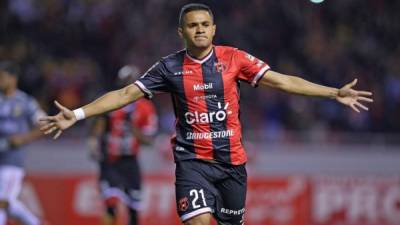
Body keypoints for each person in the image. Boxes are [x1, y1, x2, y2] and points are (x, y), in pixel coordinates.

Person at [39, 3, 373, 225]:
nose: (199, 30)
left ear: (214, 29)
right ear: (181, 32)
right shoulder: (168, 67)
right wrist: (78, 114)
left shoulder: (235, 59)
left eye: (204, 24)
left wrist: (333, 92)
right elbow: (126, 94)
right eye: (192, 25)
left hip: (232, 166)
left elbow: (283, 81)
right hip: (192, 164)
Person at [87, 65, 158, 225]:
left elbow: (149, 140)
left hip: (130, 162)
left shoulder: (145, 108)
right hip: (110, 160)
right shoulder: (111, 101)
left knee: (133, 210)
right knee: (110, 205)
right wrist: (93, 144)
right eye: (124, 82)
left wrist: (135, 131)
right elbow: (97, 127)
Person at [0, 61, 46, 225]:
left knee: (3, 202)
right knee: (8, 203)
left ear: (13, 79)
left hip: (13, 160)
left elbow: (44, 125)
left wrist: (23, 138)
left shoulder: (25, 102)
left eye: (3, 77)